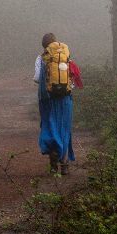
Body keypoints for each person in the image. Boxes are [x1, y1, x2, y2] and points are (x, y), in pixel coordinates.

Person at [34, 32, 83, 175]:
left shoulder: (41, 58)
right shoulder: (66, 56)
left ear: (44, 45)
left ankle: (53, 162)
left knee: (50, 127)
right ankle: (65, 164)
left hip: (47, 100)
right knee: (64, 129)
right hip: (65, 99)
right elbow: (73, 78)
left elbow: (37, 78)